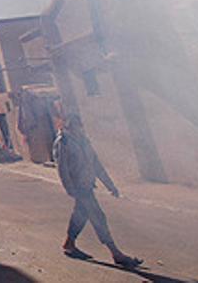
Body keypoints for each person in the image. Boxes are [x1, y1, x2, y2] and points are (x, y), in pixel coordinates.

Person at [53, 114, 142, 268]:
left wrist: (110, 185)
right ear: (68, 126)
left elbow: (96, 165)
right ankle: (116, 253)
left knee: (80, 215)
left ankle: (69, 244)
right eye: (74, 124)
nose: (79, 127)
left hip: (88, 184)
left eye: (79, 124)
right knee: (98, 217)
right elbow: (63, 169)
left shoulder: (84, 141)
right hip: (79, 187)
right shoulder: (64, 142)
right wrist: (70, 189)